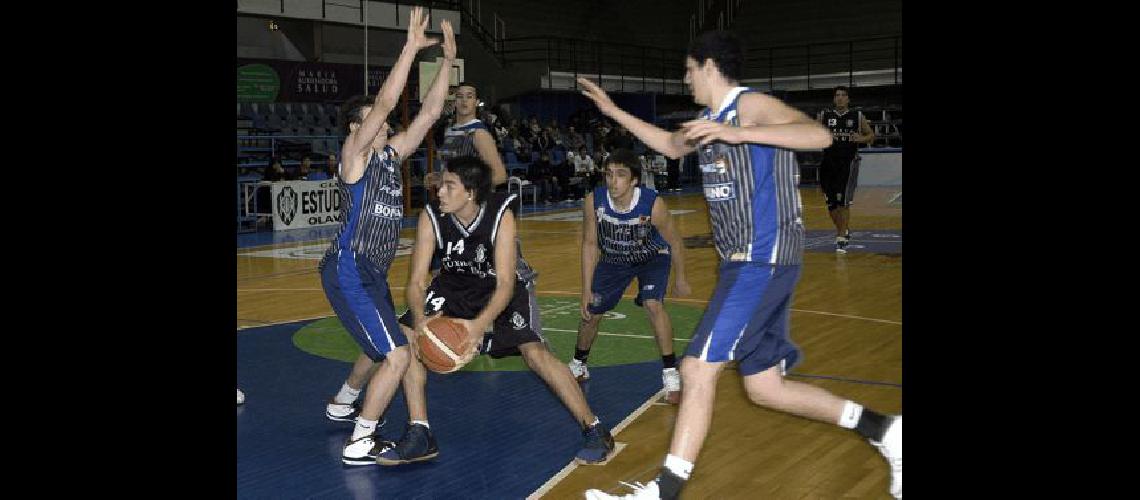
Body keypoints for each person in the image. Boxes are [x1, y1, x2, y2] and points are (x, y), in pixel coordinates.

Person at [577, 30, 901, 500]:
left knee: (696, 370)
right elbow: (670, 145)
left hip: (761, 256)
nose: (685, 79)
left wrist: (738, 132)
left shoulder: (747, 107)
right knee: (766, 388)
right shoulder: (707, 120)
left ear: (708, 65)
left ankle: (662, 493)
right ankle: (886, 429)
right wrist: (611, 111)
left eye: (688, 70)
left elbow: (819, 135)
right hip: (743, 264)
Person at [380, 155, 616, 466]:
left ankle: (594, 428)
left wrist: (477, 327)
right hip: (453, 285)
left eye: (449, 186)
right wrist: (422, 320)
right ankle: (420, 431)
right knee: (407, 334)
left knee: (535, 353)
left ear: (471, 192)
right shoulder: (431, 216)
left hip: (501, 285)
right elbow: (415, 282)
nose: (439, 191)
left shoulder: (501, 215)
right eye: (441, 184)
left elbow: (505, 283)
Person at [317, 9, 457, 467]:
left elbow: (432, 112)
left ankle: (343, 404)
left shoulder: (389, 158)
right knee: (397, 356)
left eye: (381, 125)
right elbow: (383, 103)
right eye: (370, 121)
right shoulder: (354, 156)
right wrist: (410, 49)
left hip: (371, 274)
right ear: (357, 129)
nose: (381, 125)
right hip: (350, 268)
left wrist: (446, 65)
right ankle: (361, 440)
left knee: (391, 346)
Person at [569, 149, 691, 404]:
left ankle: (670, 373)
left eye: (620, 175)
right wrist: (585, 290)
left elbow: (676, 241)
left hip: (652, 257)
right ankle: (579, 364)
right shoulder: (594, 201)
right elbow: (590, 244)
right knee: (591, 311)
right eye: (609, 174)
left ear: (634, 180)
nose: (613, 181)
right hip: (614, 260)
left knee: (652, 304)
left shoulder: (653, 204)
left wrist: (680, 277)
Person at [818, 86, 875, 253]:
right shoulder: (824, 116)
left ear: (848, 99)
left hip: (848, 163)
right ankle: (844, 229)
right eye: (837, 95)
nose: (840, 98)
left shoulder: (857, 116)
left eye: (843, 95)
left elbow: (871, 136)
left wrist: (861, 138)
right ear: (834, 99)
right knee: (831, 204)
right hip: (828, 163)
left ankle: (841, 236)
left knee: (843, 202)